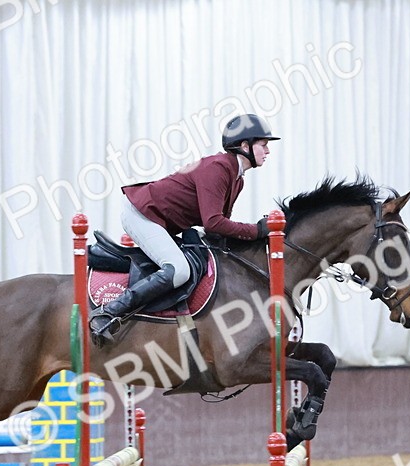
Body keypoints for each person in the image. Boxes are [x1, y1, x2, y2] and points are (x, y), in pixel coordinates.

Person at [90, 113, 279, 345]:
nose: (267, 151)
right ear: (244, 146)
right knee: (179, 270)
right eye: (263, 145)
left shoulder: (237, 178)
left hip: (161, 220)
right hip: (142, 214)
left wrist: (257, 239)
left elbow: (217, 231)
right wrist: (256, 231)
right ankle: (108, 313)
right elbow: (213, 222)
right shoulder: (219, 168)